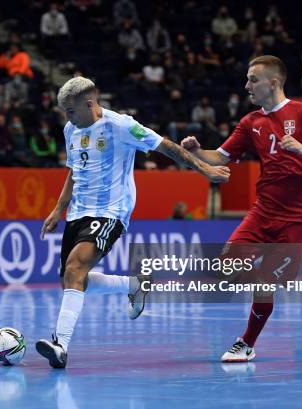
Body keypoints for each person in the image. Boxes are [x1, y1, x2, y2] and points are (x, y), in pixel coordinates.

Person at [36, 76, 230, 368]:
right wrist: (58, 209)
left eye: (72, 111)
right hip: (78, 212)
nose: (68, 118)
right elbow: (73, 170)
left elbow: (167, 147)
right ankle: (134, 284)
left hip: (111, 211)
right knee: (72, 279)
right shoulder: (70, 129)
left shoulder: (122, 125)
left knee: (75, 268)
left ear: (90, 103)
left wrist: (205, 169)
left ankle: (60, 345)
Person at [180, 55, 302, 362]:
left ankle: (247, 342)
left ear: (274, 82)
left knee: (266, 283)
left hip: (299, 219)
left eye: (253, 79)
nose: (247, 85)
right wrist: (198, 151)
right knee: (226, 270)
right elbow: (221, 157)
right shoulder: (250, 121)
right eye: (247, 79)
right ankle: (264, 283)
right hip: (263, 212)